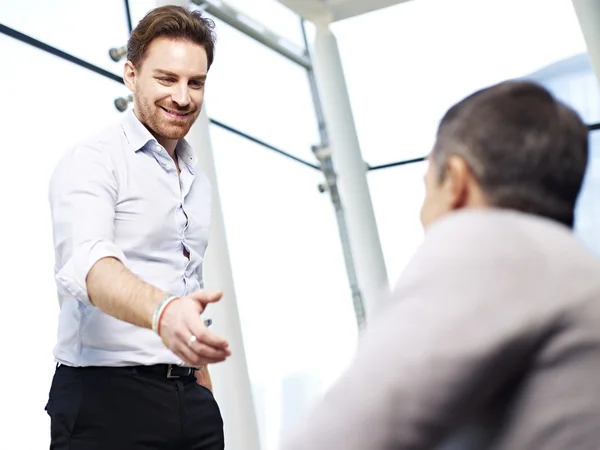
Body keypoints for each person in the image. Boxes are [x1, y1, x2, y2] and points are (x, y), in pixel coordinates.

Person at [280, 81, 600, 450]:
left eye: (428, 183)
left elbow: (344, 436)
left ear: (457, 181)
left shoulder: (490, 243)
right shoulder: (574, 270)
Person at [45, 6, 230, 449]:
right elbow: (90, 266)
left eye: (195, 82)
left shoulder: (195, 179)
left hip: (191, 401)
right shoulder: (93, 160)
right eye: (166, 79)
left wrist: (200, 384)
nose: (183, 97)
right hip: (106, 399)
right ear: (131, 75)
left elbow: (188, 281)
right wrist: (163, 312)